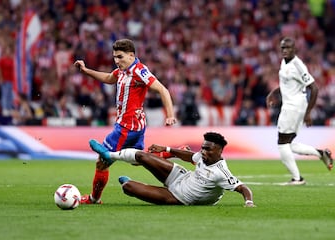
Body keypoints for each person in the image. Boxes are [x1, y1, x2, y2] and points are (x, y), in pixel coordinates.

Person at [74, 39, 177, 204]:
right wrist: (86, 71)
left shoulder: (139, 71)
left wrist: (170, 115)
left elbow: (162, 90)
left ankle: (94, 199)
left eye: (120, 57)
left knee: (102, 162)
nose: (117, 61)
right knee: (138, 160)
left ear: (131, 55)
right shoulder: (122, 70)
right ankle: (171, 153)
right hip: (136, 125)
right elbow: (108, 77)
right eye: (114, 57)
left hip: (126, 128)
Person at [87, 132, 255, 207]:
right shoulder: (202, 157)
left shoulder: (221, 172)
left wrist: (248, 202)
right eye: (203, 148)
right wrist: (168, 148)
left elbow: (242, 188)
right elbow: (190, 156)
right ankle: (109, 155)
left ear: (219, 151)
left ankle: (135, 185)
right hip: (179, 177)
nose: (203, 152)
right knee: (143, 157)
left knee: (127, 187)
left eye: (208, 149)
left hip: (179, 197)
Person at [266, 37, 333, 185]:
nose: (285, 50)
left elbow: (314, 87)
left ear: (294, 50)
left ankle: (297, 179)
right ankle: (321, 153)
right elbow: (288, 83)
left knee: (282, 143)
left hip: (294, 107)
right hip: (291, 106)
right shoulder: (284, 62)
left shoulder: (298, 65)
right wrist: (274, 92)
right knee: (289, 143)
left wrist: (308, 113)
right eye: (283, 48)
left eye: (288, 48)